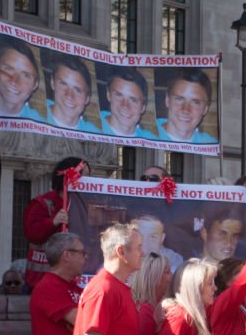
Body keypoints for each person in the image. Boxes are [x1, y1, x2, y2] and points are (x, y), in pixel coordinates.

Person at [22, 157, 91, 292]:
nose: (87, 180)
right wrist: (52, 223)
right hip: (41, 281)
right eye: (84, 175)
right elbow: (31, 233)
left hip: (75, 282)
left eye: (89, 176)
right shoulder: (43, 203)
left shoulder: (85, 205)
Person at [0, 37, 42, 119]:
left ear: (35, 84)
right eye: (8, 69)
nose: (14, 81)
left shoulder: (38, 122)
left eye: (26, 75)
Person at [157, 67, 217, 143]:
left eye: (195, 102)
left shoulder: (209, 143)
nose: (185, 110)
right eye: (179, 99)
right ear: (167, 100)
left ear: (205, 108)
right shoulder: (147, 135)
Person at [46, 54, 99, 132]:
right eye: (63, 84)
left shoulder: (93, 132)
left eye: (77, 90)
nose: (69, 95)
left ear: (87, 98)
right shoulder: (34, 116)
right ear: (52, 83)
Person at [101, 68, 152, 138]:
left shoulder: (150, 138)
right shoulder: (93, 127)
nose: (125, 106)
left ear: (143, 107)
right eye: (119, 95)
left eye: (133, 100)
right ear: (108, 95)